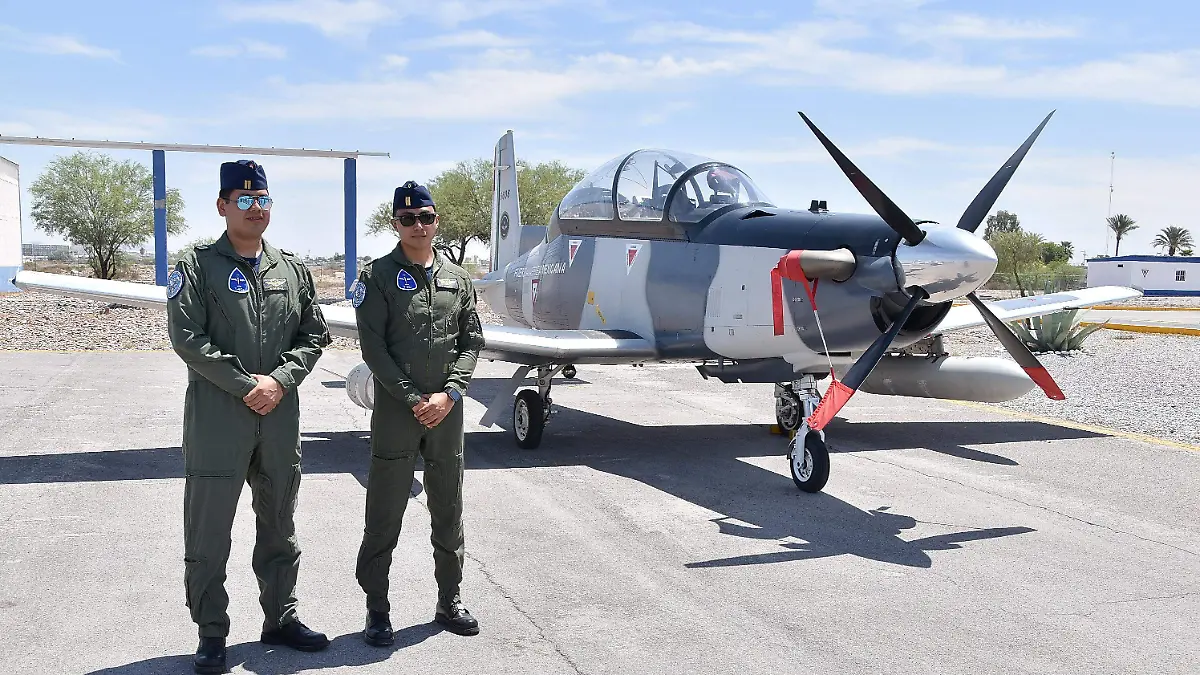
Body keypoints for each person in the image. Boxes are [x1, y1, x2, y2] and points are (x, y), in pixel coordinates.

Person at [166, 160, 332, 674]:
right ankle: (211, 632)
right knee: (209, 530)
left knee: (280, 523)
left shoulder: (292, 270)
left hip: (278, 418)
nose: (255, 208)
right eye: (244, 200)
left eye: (262, 199)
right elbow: (187, 338)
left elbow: (314, 334)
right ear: (222, 206)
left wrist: (280, 380)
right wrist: (247, 385)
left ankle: (280, 617)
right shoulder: (196, 265)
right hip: (218, 419)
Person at [351, 180, 485, 646]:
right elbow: (374, 348)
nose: (418, 225)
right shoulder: (376, 277)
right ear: (396, 224)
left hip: (446, 412)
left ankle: (450, 599)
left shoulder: (457, 279)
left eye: (425, 217)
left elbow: (471, 341)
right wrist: (412, 398)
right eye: (408, 219)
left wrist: (451, 393)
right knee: (385, 511)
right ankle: (377, 608)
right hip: (397, 411)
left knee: (448, 507)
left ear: (435, 221)